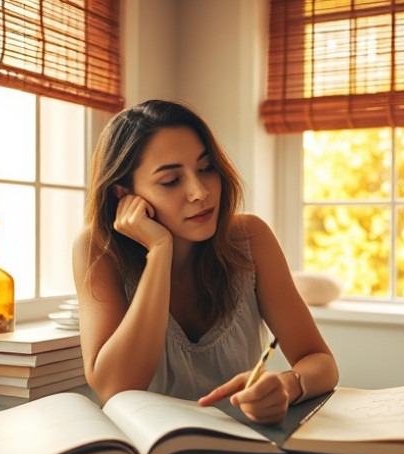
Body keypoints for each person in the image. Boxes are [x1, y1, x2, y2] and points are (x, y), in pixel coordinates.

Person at [72, 99, 339, 424]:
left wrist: (287, 385)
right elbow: (116, 387)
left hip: (243, 452)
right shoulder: (97, 250)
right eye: (171, 181)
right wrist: (159, 252)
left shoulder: (250, 238)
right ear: (123, 194)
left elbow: (320, 361)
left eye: (206, 167)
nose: (200, 191)